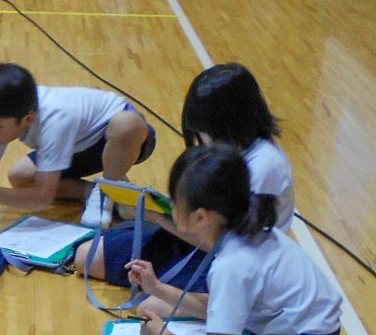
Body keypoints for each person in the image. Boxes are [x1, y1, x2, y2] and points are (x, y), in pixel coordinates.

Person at [128, 146, 339, 335]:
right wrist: (157, 287)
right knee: (160, 326)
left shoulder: (232, 264)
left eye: (174, 202)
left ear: (201, 217)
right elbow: (221, 306)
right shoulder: (248, 232)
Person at [81, 61, 293, 285]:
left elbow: (224, 245)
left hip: (230, 266)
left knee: (92, 259)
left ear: (226, 123)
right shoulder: (243, 152)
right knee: (91, 250)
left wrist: (158, 216)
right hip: (202, 244)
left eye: (204, 130)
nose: (202, 138)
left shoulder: (262, 168)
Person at [0, 62, 154, 234]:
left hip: (122, 139)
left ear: (27, 119)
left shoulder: (55, 121)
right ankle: (106, 191)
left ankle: (108, 190)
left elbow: (42, 198)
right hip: (77, 144)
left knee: (128, 124)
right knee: (20, 176)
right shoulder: (7, 112)